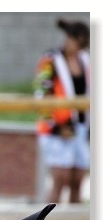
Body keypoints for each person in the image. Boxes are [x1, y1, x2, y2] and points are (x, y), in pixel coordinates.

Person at [33, 19, 90, 204]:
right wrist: (57, 126)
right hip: (58, 128)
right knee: (60, 177)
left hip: (81, 127)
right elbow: (41, 94)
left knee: (78, 178)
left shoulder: (85, 61)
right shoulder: (50, 60)